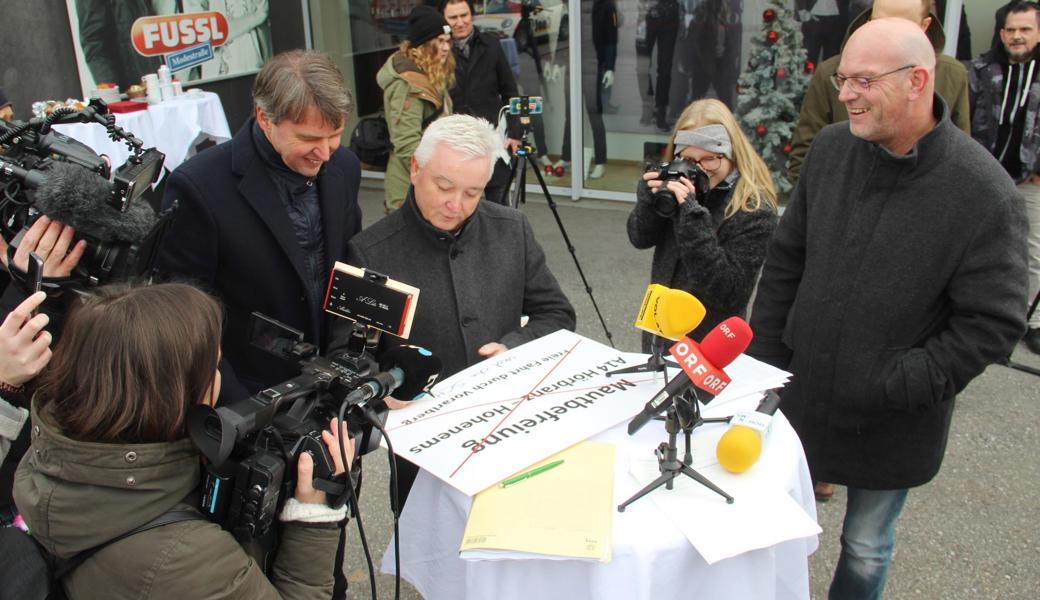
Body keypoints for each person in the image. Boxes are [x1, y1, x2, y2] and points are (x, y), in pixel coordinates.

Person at [749, 18, 1028, 600]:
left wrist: (903, 381)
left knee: (867, 545)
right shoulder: (830, 150)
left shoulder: (983, 192)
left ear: (918, 81)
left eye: (863, 81)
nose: (844, 93)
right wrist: (766, 360)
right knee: (772, 530)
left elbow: (994, 321)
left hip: (893, 416)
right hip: (799, 390)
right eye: (842, 77)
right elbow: (785, 263)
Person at [13, 283, 353, 598]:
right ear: (178, 395)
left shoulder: (49, 449)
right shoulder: (187, 559)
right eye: (213, 366)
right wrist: (314, 514)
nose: (219, 376)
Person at [328, 114, 576, 506]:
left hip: (507, 426)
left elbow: (557, 315)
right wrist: (380, 389)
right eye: (444, 186)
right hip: (423, 447)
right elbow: (349, 352)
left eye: (473, 193)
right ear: (415, 169)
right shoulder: (372, 251)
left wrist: (513, 347)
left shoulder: (511, 229)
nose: (455, 204)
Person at [156, 49, 362, 403]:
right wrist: (233, 404)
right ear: (264, 119)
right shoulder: (199, 186)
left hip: (331, 383)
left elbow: (351, 262)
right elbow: (181, 315)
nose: (325, 153)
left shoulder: (344, 166)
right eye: (309, 139)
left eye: (335, 135)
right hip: (249, 393)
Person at [627, 98, 778, 352]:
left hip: (709, 343)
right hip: (659, 329)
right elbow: (639, 238)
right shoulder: (676, 184)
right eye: (688, 160)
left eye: (710, 159)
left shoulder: (752, 209)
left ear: (732, 155)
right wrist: (649, 201)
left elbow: (729, 294)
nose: (700, 171)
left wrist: (691, 216)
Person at [788, 0, 971, 186]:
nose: (885, 34)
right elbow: (805, 158)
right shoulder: (831, 72)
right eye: (878, 22)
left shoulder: (951, 76)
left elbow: (959, 159)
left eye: (900, 26)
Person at [968, 0, 1040, 354]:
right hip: (981, 175)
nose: (1016, 36)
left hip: (1030, 179)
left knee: (1033, 253)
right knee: (974, 248)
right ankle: (978, 317)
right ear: (1000, 32)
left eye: (1025, 29)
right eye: (1010, 29)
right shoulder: (981, 69)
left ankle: (1032, 323)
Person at [439, 0, 521, 204]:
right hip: (456, 143)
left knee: (499, 208)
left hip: (492, 139)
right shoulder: (439, 50)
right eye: (453, 17)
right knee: (459, 207)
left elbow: (510, 91)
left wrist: (515, 131)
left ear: (472, 16)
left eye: (464, 15)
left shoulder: (491, 44)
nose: (460, 22)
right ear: (445, 21)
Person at [379, 5, 454, 213]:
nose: (446, 48)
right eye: (439, 42)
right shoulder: (407, 83)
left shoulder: (430, 74)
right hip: (409, 189)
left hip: (432, 182)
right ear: (423, 45)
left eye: (448, 41)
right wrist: (442, 174)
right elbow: (406, 144)